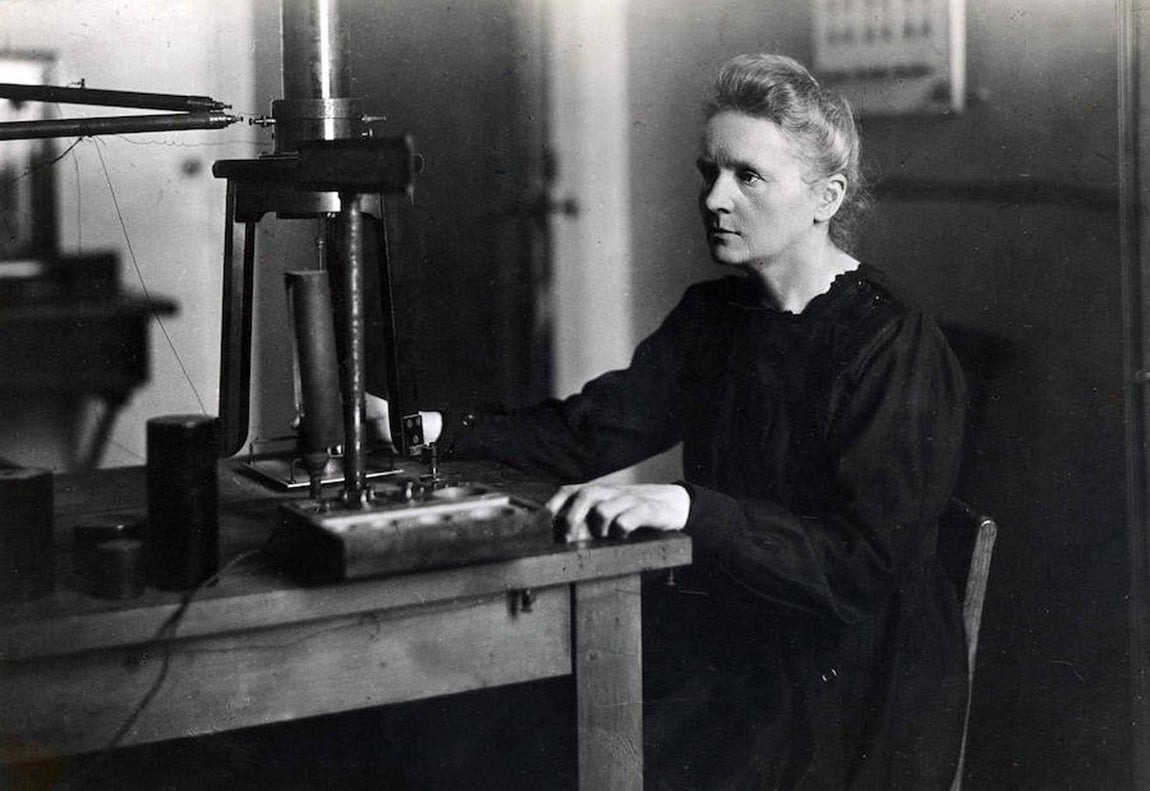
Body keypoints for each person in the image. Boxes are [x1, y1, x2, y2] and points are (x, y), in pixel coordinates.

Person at [376, 52, 968, 789]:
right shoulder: (713, 318)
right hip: (740, 637)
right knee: (494, 731)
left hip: (849, 679)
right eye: (708, 172)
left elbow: (860, 567)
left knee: (596, 756)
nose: (715, 198)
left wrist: (690, 507)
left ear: (826, 197)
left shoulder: (892, 345)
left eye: (747, 176)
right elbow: (588, 432)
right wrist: (436, 430)